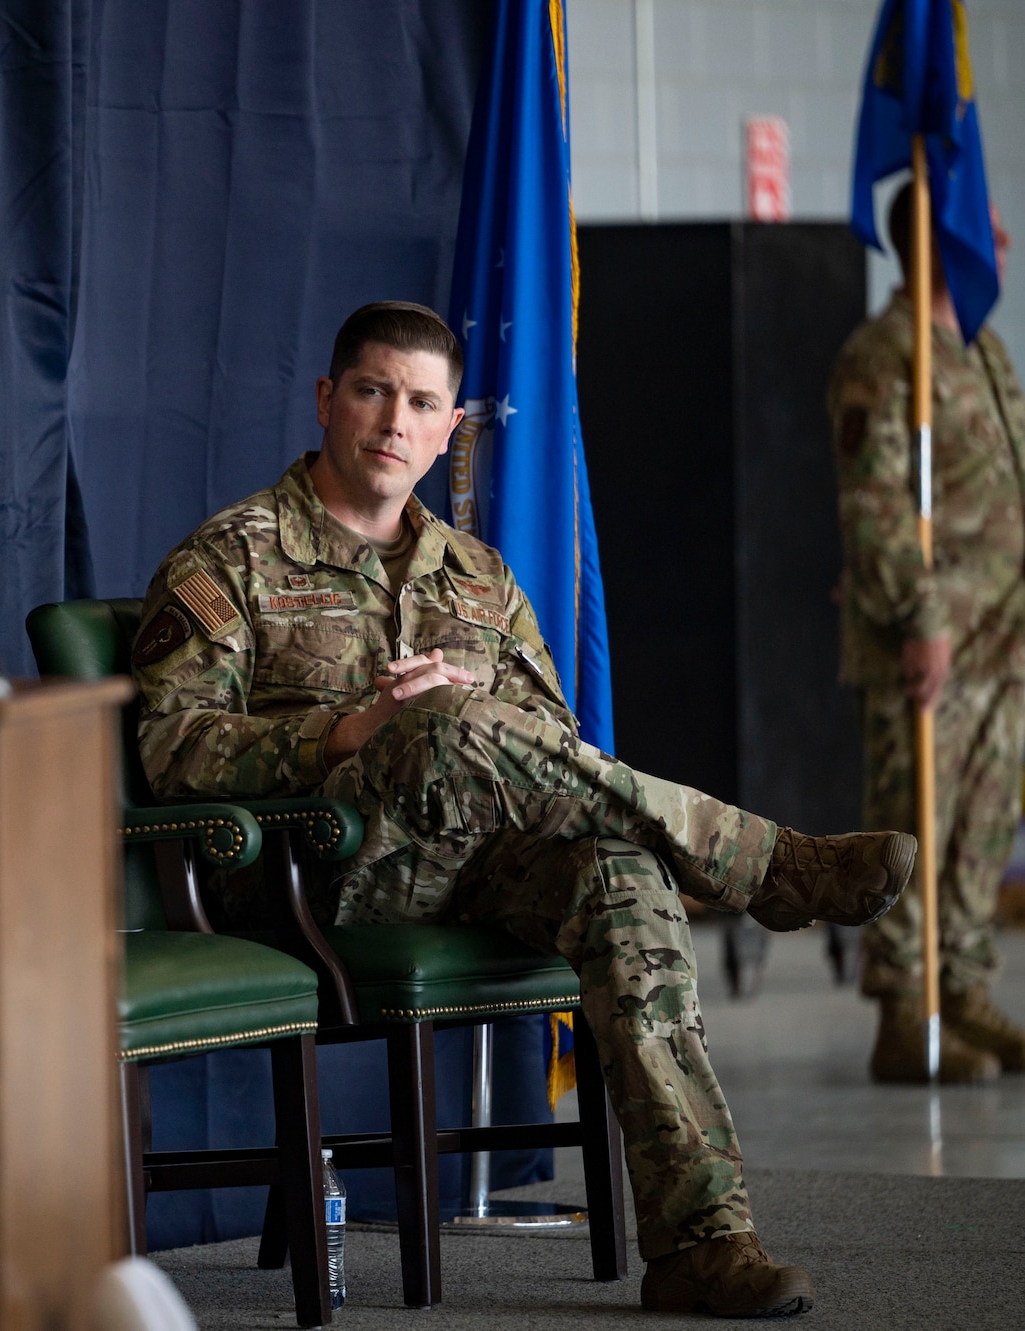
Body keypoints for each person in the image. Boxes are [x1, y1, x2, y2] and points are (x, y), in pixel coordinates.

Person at [133, 301, 916, 1319]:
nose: (391, 421)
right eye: (371, 391)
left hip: (471, 864)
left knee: (620, 875)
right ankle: (761, 863)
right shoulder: (227, 558)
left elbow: (557, 756)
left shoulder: (478, 576)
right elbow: (169, 751)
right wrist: (345, 731)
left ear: (449, 423)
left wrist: (469, 710)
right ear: (328, 398)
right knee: (440, 722)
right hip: (311, 871)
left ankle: (700, 1242)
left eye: (420, 402)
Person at [827, 185, 1025, 1084]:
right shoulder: (885, 354)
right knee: (914, 820)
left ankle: (967, 988)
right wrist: (920, 619)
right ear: (940, 239)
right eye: (985, 226)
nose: (1005, 239)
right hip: (933, 643)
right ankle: (906, 1012)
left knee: (982, 827)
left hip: (1002, 643)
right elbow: (876, 509)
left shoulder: (980, 349)